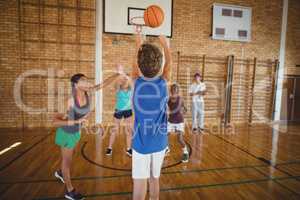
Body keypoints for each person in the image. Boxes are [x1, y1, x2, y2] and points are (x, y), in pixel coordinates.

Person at [53, 72, 119, 200]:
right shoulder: (69, 100)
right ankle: (69, 191)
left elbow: (102, 85)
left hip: (76, 132)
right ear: (76, 85)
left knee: (69, 158)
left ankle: (61, 173)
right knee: (67, 162)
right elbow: (55, 121)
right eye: (83, 80)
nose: (87, 82)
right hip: (66, 133)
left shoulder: (88, 92)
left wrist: (117, 74)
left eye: (87, 79)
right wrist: (76, 121)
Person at [131, 31, 172, 200]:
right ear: (160, 65)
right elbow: (169, 64)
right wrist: (165, 45)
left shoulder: (136, 83)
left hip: (141, 144)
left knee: (140, 185)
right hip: (160, 143)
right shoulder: (163, 84)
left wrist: (138, 42)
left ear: (140, 66)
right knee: (155, 179)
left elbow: (134, 66)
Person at [106, 70, 133, 156]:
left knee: (129, 130)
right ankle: (109, 148)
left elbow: (132, 82)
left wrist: (127, 77)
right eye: (124, 79)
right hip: (119, 110)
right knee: (114, 129)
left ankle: (129, 149)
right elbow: (116, 82)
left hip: (128, 111)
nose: (125, 80)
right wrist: (121, 73)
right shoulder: (118, 88)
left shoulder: (131, 89)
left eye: (127, 79)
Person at [166, 83, 189, 162]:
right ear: (171, 90)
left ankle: (185, 152)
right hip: (171, 120)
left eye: (176, 89)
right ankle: (167, 148)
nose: (174, 91)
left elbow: (186, 109)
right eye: (173, 89)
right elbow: (166, 108)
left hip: (179, 121)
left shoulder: (181, 99)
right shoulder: (168, 99)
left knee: (179, 139)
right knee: (165, 135)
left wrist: (183, 114)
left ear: (177, 90)